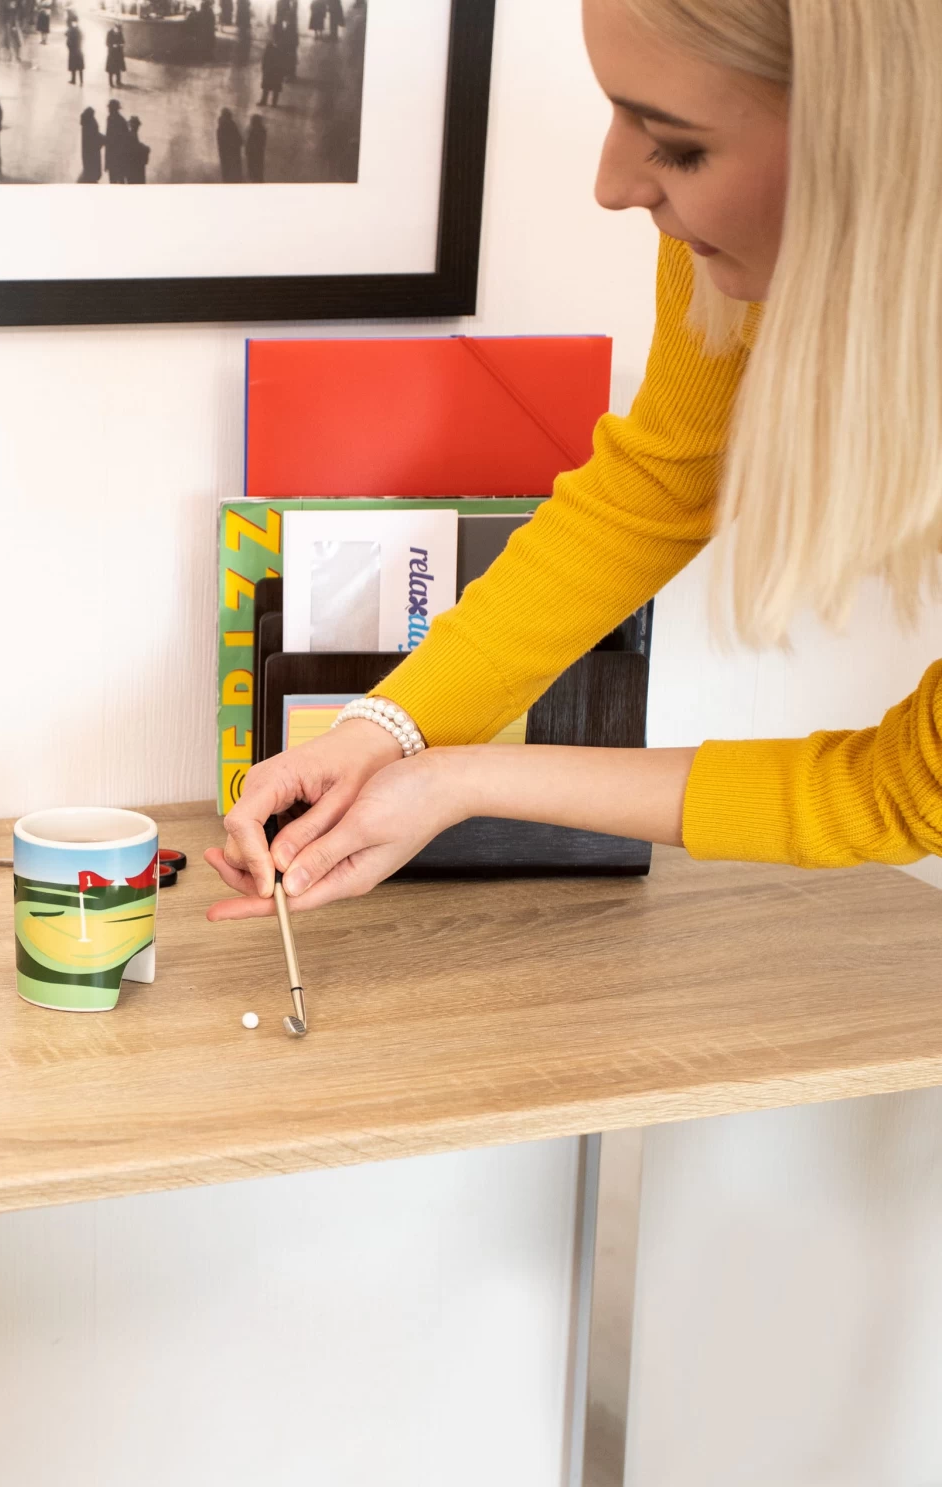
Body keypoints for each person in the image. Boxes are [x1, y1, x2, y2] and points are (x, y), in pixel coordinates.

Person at [211, 0, 942, 926]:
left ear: (877, 147)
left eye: (678, 147)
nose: (611, 185)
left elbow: (903, 792)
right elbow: (658, 487)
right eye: (619, 112)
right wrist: (391, 737)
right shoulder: (723, 258)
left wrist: (459, 779)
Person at [104, 97, 130, 182]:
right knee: (119, 179)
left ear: (113, 109)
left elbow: (109, 139)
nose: (108, 110)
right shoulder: (121, 120)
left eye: (110, 108)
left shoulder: (111, 119)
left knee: (114, 179)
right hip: (118, 155)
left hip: (115, 155)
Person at [215, 106, 242, 182]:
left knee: (226, 167)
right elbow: (238, 137)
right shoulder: (231, 124)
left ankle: (227, 179)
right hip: (233, 150)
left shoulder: (220, 126)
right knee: (234, 167)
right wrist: (239, 142)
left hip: (224, 151)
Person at [78, 105, 103, 182]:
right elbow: (94, 135)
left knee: (88, 166)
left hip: (88, 150)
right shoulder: (90, 123)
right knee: (92, 167)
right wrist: (105, 139)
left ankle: (89, 177)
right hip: (93, 150)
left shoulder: (86, 123)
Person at [259, 40, 283, 105]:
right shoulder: (270, 47)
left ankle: (271, 102)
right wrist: (264, 67)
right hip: (271, 70)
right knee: (268, 86)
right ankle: (267, 102)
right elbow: (265, 58)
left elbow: (284, 61)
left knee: (273, 87)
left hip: (275, 70)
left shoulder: (280, 48)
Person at [126, 114, 150, 183]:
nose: (137, 127)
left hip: (133, 165)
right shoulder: (132, 135)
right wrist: (145, 148)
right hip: (134, 166)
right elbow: (135, 148)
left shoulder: (132, 134)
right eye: (136, 125)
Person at [244, 112, 266, 181]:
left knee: (253, 168)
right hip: (259, 153)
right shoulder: (262, 130)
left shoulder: (252, 131)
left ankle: (254, 178)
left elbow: (249, 142)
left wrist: (247, 150)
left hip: (253, 154)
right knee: (258, 169)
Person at [66, 19, 85, 83]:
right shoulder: (79, 30)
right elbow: (83, 37)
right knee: (80, 67)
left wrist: (69, 47)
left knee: (73, 66)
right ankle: (81, 81)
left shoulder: (71, 30)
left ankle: (73, 80)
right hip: (79, 50)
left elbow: (66, 35)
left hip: (73, 51)